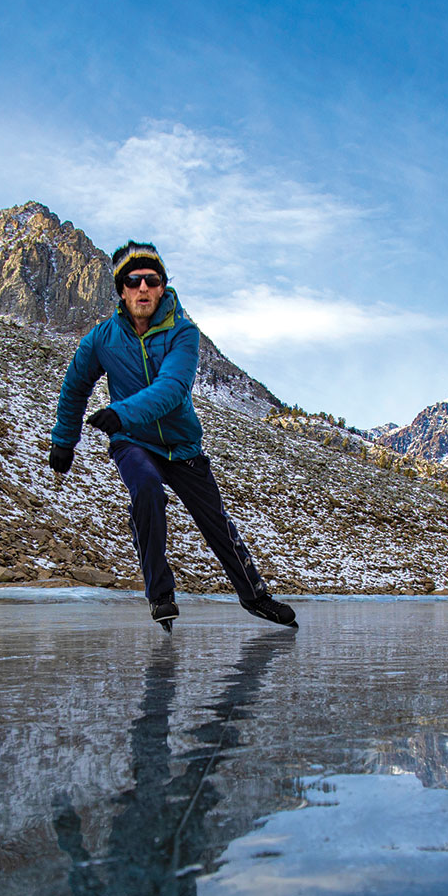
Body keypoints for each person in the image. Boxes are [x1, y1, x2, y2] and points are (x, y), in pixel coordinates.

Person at [48, 241, 297, 631]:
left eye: (152, 280)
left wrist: (119, 412)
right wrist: (64, 441)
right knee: (145, 489)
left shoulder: (184, 333)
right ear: (121, 289)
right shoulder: (102, 339)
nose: (143, 288)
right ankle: (160, 594)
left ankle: (256, 597)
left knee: (215, 523)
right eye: (134, 281)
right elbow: (75, 385)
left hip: (182, 446)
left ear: (163, 286)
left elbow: (172, 388)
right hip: (133, 442)